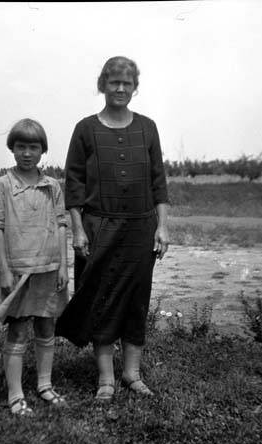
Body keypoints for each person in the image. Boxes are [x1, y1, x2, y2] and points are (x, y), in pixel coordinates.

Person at [55, 56, 170, 402]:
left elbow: (159, 182)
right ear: (102, 85)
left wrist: (162, 227)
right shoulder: (85, 128)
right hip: (98, 226)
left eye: (127, 83)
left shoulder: (147, 127)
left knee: (137, 300)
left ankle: (132, 375)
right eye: (114, 82)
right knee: (100, 300)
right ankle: (106, 379)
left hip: (140, 227)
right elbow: (73, 184)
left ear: (135, 88)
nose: (120, 88)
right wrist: (78, 230)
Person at [0, 118, 69, 416]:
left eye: (33, 147)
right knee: (19, 330)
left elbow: (61, 225)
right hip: (19, 271)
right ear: (12, 148)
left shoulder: (52, 186)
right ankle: (15, 394)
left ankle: (44, 385)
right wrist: (4, 270)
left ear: (42, 150)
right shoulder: (1, 186)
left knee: (47, 325)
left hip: (49, 268)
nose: (26, 153)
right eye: (20, 146)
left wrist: (63, 266)